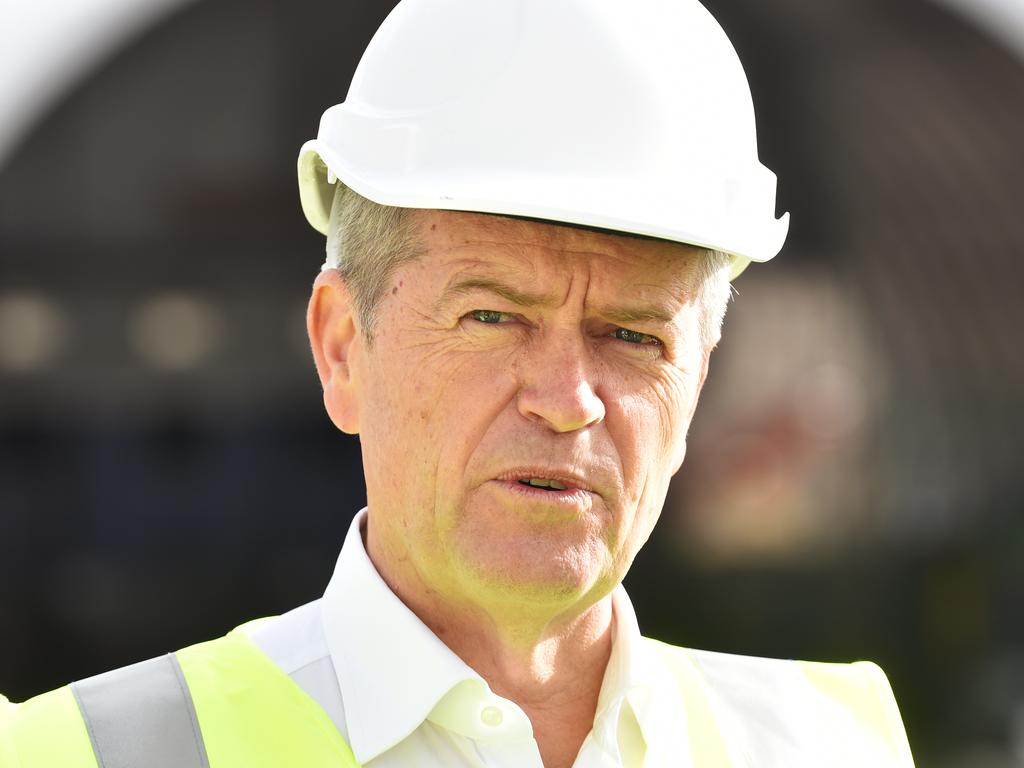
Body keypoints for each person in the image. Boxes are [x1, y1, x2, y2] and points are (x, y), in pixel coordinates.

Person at [0, 0, 916, 766]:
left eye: (632, 335)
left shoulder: (832, 747)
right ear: (341, 347)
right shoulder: (77, 755)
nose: (567, 399)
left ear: (697, 385)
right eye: (493, 317)